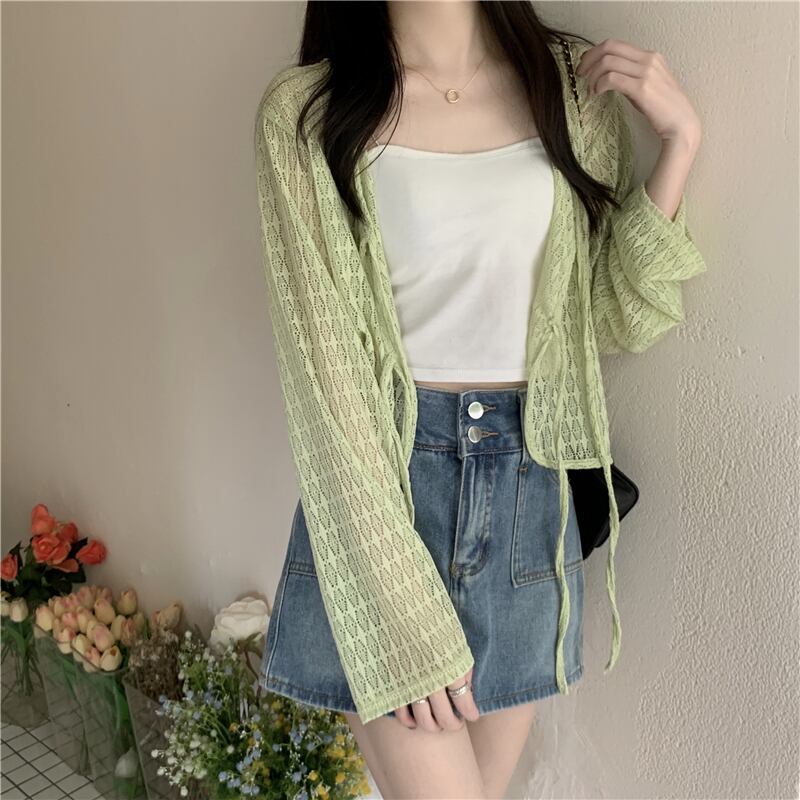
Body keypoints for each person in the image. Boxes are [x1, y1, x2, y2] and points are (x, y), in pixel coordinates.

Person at [253, 1, 707, 797]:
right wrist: (399, 605)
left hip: (531, 492)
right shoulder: (306, 113)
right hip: (385, 497)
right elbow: (327, 386)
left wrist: (680, 146)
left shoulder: (569, 91)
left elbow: (606, 319)